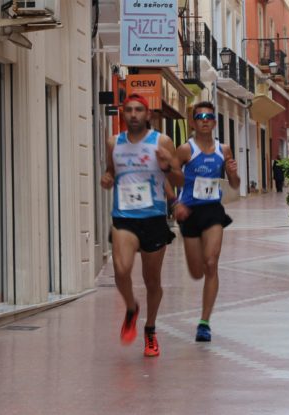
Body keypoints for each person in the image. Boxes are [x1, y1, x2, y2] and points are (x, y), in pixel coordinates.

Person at [100, 93, 183, 357]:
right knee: (121, 270)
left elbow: (180, 177)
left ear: (147, 114)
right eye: (128, 110)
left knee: (152, 280)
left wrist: (167, 166)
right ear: (123, 114)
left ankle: (150, 328)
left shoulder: (161, 141)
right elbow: (111, 171)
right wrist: (107, 178)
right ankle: (131, 307)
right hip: (124, 216)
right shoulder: (114, 143)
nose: (133, 114)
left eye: (138, 110)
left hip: (154, 217)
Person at [173, 101, 241, 342]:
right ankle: (197, 267)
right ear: (193, 122)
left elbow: (235, 185)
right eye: (200, 116)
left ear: (214, 122)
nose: (205, 120)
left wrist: (232, 172)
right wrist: (176, 204)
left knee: (211, 263)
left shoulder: (225, 149)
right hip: (189, 213)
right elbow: (168, 177)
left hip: (213, 210)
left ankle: (204, 322)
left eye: (209, 117)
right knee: (196, 272)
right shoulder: (184, 150)